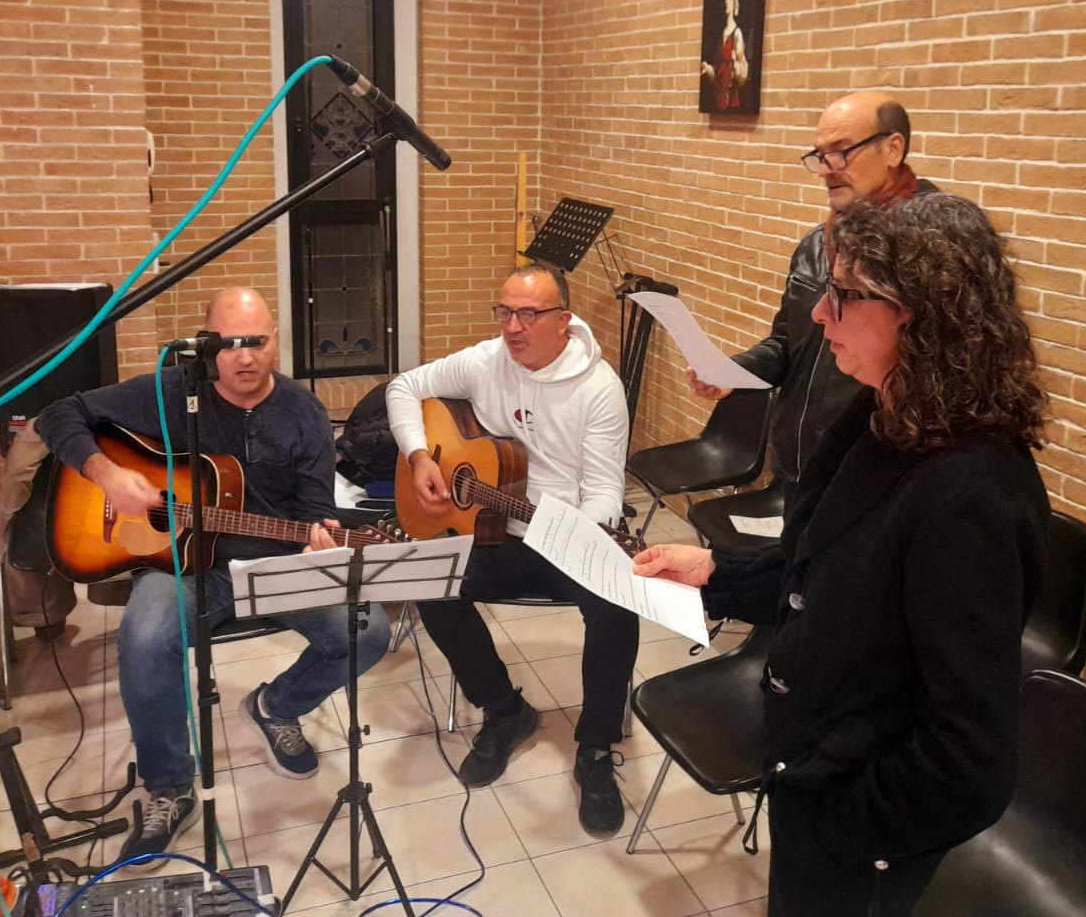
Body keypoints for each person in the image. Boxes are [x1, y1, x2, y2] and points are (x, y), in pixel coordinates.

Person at [636, 193, 1050, 916]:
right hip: (816, 765)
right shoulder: (881, 414)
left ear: (918, 313)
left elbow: (969, 764)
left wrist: (835, 825)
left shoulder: (970, 496)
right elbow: (832, 576)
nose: (820, 315)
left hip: (860, 822)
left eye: (844, 294)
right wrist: (716, 573)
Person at [37, 287, 391, 860]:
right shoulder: (174, 392)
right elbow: (59, 413)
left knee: (368, 631)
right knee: (144, 636)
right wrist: (105, 473)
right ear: (206, 347)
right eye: (229, 344)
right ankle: (170, 787)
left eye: (257, 342)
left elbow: (312, 512)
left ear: (277, 340)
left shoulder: (303, 413)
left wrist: (319, 538)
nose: (244, 357)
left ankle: (276, 706)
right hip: (181, 563)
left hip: (273, 561)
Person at [385, 264, 637, 835]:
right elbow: (403, 387)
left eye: (529, 314)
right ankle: (505, 710)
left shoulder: (599, 388)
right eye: (505, 312)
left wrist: (585, 534)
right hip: (496, 532)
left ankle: (596, 747)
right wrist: (421, 457)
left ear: (564, 320)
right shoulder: (485, 360)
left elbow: (603, 489)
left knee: (617, 607)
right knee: (430, 582)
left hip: (568, 537)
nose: (513, 326)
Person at [691, 89, 937, 499]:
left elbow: (941, 379)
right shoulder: (817, 245)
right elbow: (787, 345)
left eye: (841, 152)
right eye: (820, 155)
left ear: (893, 149)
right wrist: (732, 373)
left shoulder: (932, 250)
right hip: (799, 470)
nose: (825, 170)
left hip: (871, 479)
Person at [700, 0, 751, 110]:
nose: (726, 2)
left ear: (735, 2)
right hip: (718, 95)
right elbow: (717, 71)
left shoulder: (737, 33)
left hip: (731, 97)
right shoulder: (720, 34)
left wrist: (735, 66)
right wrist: (709, 69)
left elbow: (742, 69)